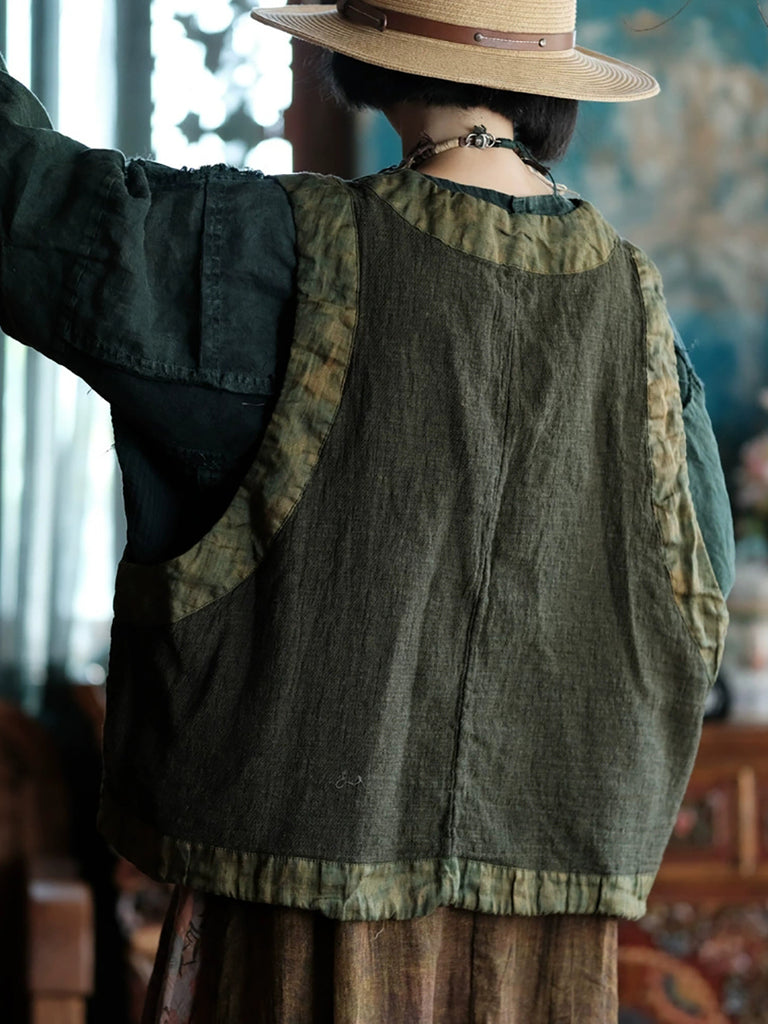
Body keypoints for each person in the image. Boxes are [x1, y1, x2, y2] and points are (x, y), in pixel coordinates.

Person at [0, 0, 734, 1020]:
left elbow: (28, 210)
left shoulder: (276, 256)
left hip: (288, 930)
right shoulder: (643, 316)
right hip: (544, 961)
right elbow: (698, 598)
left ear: (376, 58)